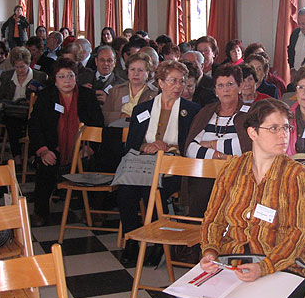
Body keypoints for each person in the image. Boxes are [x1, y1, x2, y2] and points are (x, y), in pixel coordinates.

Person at [179, 98, 305, 298]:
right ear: (252, 132)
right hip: (233, 262)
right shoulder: (232, 168)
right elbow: (213, 219)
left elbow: (299, 235)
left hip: (283, 267)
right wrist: (209, 251)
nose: (283, 135)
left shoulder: (296, 175)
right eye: (273, 128)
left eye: (286, 128)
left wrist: (264, 267)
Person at [118, 60, 201, 264]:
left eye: (181, 81)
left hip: (174, 165)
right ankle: (132, 240)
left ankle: (157, 243)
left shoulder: (192, 110)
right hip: (143, 163)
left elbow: (191, 144)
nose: (178, 86)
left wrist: (169, 147)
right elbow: (132, 143)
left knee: (153, 192)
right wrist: (145, 146)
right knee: (125, 192)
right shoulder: (142, 109)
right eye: (173, 81)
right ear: (161, 83)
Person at [28, 58, 103, 226]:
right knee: (46, 165)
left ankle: (94, 210)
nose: (67, 80)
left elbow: (98, 124)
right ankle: (40, 212)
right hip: (52, 147)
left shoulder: (87, 96)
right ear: (54, 80)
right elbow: (35, 125)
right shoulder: (46, 96)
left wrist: (90, 148)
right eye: (61, 76)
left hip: (83, 147)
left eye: (70, 75)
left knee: (94, 164)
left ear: (76, 77)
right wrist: (43, 150)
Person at [184, 64, 252, 217]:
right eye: (220, 85)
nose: (225, 90)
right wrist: (219, 156)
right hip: (205, 175)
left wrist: (211, 145)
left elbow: (243, 146)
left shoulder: (249, 113)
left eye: (230, 84)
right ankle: (198, 237)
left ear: (240, 87)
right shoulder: (206, 112)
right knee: (201, 189)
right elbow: (191, 149)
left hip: (238, 175)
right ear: (215, 90)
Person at [0, 47, 47, 163]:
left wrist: (38, 92)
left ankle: (31, 154)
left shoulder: (39, 76)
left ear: (28, 64)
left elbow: (45, 98)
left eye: (22, 67)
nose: (19, 70)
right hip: (12, 111)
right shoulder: (7, 76)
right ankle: (17, 155)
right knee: (11, 122)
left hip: (32, 111)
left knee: (35, 124)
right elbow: (0, 96)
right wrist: (1, 105)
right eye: (16, 67)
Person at [102, 52, 157, 125]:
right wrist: (120, 116)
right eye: (132, 69)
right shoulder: (116, 90)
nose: (136, 74)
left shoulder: (155, 93)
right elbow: (104, 114)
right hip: (117, 130)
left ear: (147, 73)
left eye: (140, 70)